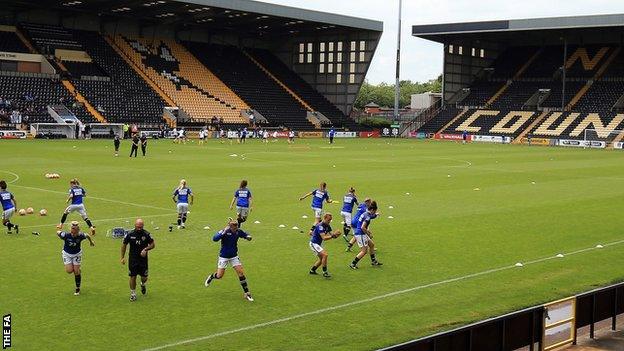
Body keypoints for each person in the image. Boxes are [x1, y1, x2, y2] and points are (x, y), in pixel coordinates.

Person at [204, 220, 254, 302]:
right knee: (219, 276)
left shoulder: (238, 231)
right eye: (234, 227)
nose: (236, 228)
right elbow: (214, 239)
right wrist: (222, 233)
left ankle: (247, 293)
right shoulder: (224, 231)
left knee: (240, 272)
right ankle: (212, 276)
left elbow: (246, 235)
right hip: (223, 257)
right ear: (230, 227)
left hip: (234, 256)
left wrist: (248, 237)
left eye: (237, 226)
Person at [121, 218, 155, 302]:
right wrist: (122, 257)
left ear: (143, 226)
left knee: (144, 277)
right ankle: (133, 293)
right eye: (138, 226)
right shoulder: (130, 234)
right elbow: (124, 244)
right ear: (135, 225)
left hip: (143, 260)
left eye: (141, 227)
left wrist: (146, 249)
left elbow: (153, 244)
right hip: (133, 259)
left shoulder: (146, 234)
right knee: (133, 276)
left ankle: (143, 284)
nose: (139, 228)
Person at [57, 221, 94, 295]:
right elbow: (58, 232)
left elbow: (87, 235)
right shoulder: (66, 235)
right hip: (67, 254)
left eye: (75, 233)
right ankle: (77, 269)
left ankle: (77, 288)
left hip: (77, 254)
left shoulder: (80, 235)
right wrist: (60, 236)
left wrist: (91, 242)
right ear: (70, 230)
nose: (73, 234)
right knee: (69, 271)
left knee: (76, 272)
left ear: (78, 231)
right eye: (72, 233)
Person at [349, 201, 383, 269]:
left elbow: (369, 219)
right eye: (375, 211)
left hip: (362, 233)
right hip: (360, 234)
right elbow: (363, 227)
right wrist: (369, 234)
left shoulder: (365, 213)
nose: (374, 212)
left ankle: (373, 261)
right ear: (372, 210)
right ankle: (353, 264)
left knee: (372, 245)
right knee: (364, 251)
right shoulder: (367, 216)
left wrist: (376, 215)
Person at [308, 213, 341, 278]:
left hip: (318, 244)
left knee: (322, 259)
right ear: (325, 218)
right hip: (314, 243)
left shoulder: (328, 226)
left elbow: (332, 236)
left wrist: (336, 235)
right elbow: (324, 238)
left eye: (330, 220)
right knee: (325, 255)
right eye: (329, 220)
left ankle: (312, 270)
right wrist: (333, 235)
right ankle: (325, 272)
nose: (329, 221)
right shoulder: (320, 226)